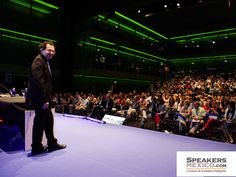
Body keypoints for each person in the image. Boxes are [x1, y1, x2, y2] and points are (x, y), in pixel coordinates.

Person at [26, 41, 66, 156]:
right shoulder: (39, 61)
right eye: (49, 50)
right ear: (42, 50)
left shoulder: (44, 61)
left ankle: (52, 144)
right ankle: (36, 147)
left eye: (53, 51)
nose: (52, 53)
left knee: (48, 121)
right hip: (41, 99)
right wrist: (44, 100)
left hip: (43, 98)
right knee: (39, 123)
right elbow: (39, 82)